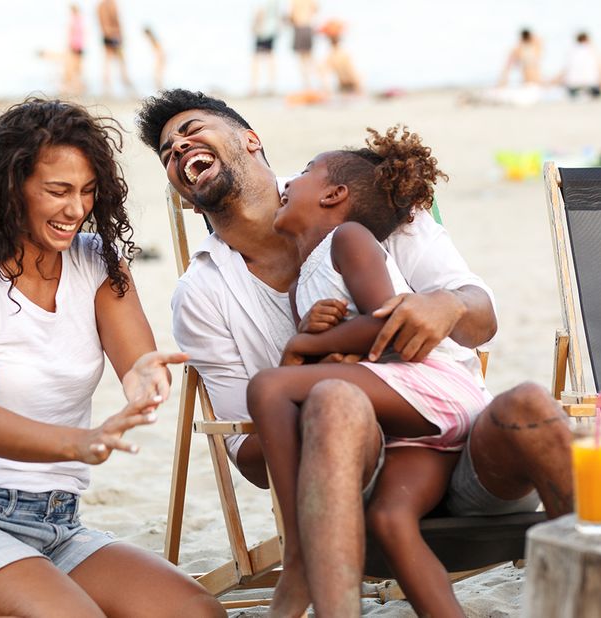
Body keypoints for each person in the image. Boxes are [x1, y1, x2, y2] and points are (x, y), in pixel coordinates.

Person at [136, 89, 572, 616]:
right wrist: (322, 392)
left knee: (527, 401)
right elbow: (249, 459)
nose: (179, 148)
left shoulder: (373, 215)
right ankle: (310, 558)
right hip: (365, 484)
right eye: (167, 152)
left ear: (250, 140)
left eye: (191, 130)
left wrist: (446, 306)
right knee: (336, 402)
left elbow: (475, 319)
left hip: (472, 449)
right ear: (183, 194)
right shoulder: (202, 293)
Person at [0, 99, 223, 618]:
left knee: (198, 613)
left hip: (59, 526)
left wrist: (146, 380)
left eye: (88, 191)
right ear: (11, 187)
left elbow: (138, 362)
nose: (76, 209)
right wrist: (84, 442)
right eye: (58, 191)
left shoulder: (95, 261)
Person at [248, 127, 492, 616]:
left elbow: (388, 324)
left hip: (435, 385)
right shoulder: (306, 281)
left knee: (269, 386)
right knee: (393, 521)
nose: (287, 182)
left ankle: (298, 552)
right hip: (410, 430)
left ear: (334, 195)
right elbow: (341, 355)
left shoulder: (349, 238)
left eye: (302, 173)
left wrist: (305, 343)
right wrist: (314, 345)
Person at [97, 0, 135, 96]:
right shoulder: (112, 3)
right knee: (121, 61)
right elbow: (116, 19)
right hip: (114, 34)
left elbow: (101, 22)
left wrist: (106, 32)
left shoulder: (100, 5)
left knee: (107, 61)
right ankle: (126, 82)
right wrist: (119, 35)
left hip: (106, 34)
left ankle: (106, 86)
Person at [560, 32, 601, 99]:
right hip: (591, 84)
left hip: (573, 85)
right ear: (588, 40)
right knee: (598, 94)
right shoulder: (593, 50)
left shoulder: (571, 52)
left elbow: (565, 70)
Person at [319, 20, 361, 95]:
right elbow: (354, 74)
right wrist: (360, 89)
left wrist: (327, 91)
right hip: (351, 86)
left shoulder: (330, 56)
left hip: (344, 87)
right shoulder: (343, 54)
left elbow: (323, 75)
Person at [250, 0, 281, 96]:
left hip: (263, 32)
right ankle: (271, 86)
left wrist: (254, 26)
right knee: (269, 59)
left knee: (258, 61)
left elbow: (260, 13)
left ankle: (256, 87)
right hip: (270, 31)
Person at [289, 0, 319, 91]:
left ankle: (308, 85)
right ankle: (320, 83)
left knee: (302, 60)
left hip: (299, 27)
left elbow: (292, 15)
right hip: (308, 27)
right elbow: (316, 9)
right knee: (310, 58)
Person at [65, 4, 86, 96]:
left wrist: (70, 44)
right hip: (79, 46)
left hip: (75, 46)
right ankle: (78, 86)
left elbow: (71, 33)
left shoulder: (74, 20)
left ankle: (75, 86)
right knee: (77, 68)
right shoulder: (80, 20)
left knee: (73, 68)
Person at [143, 26, 165, 92]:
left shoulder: (153, 39)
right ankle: (159, 90)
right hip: (159, 58)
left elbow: (160, 50)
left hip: (160, 58)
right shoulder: (152, 39)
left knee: (157, 76)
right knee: (157, 76)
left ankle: (160, 90)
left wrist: (159, 60)